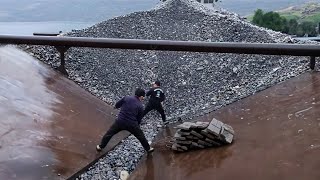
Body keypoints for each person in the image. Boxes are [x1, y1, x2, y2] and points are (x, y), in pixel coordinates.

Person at [96, 88, 154, 153]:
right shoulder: (140, 106)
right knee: (141, 136)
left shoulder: (127, 98)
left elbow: (118, 104)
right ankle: (148, 149)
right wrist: (137, 125)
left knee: (109, 133)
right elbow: (139, 118)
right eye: (143, 97)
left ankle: (100, 147)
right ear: (141, 96)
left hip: (120, 121)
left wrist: (116, 107)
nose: (143, 98)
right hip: (132, 124)